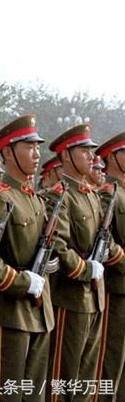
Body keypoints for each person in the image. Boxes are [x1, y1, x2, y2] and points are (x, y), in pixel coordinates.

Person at [46, 124, 124, 401]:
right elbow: (56, 244)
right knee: (63, 378)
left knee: (87, 380)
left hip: (95, 297)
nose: (92, 157)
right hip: (70, 297)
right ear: (66, 155)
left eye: (92, 151)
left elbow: (105, 238)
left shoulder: (90, 194)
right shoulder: (60, 194)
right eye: (84, 151)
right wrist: (85, 269)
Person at [0, 114, 53, 401]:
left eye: (37, 147)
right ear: (8, 153)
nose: (36, 154)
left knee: (33, 395)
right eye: (29, 147)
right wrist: (22, 282)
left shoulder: (35, 199)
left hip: (41, 312)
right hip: (10, 313)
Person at [94, 132, 125, 401]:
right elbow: (103, 238)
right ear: (112, 158)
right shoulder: (108, 194)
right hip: (114, 288)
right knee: (109, 360)